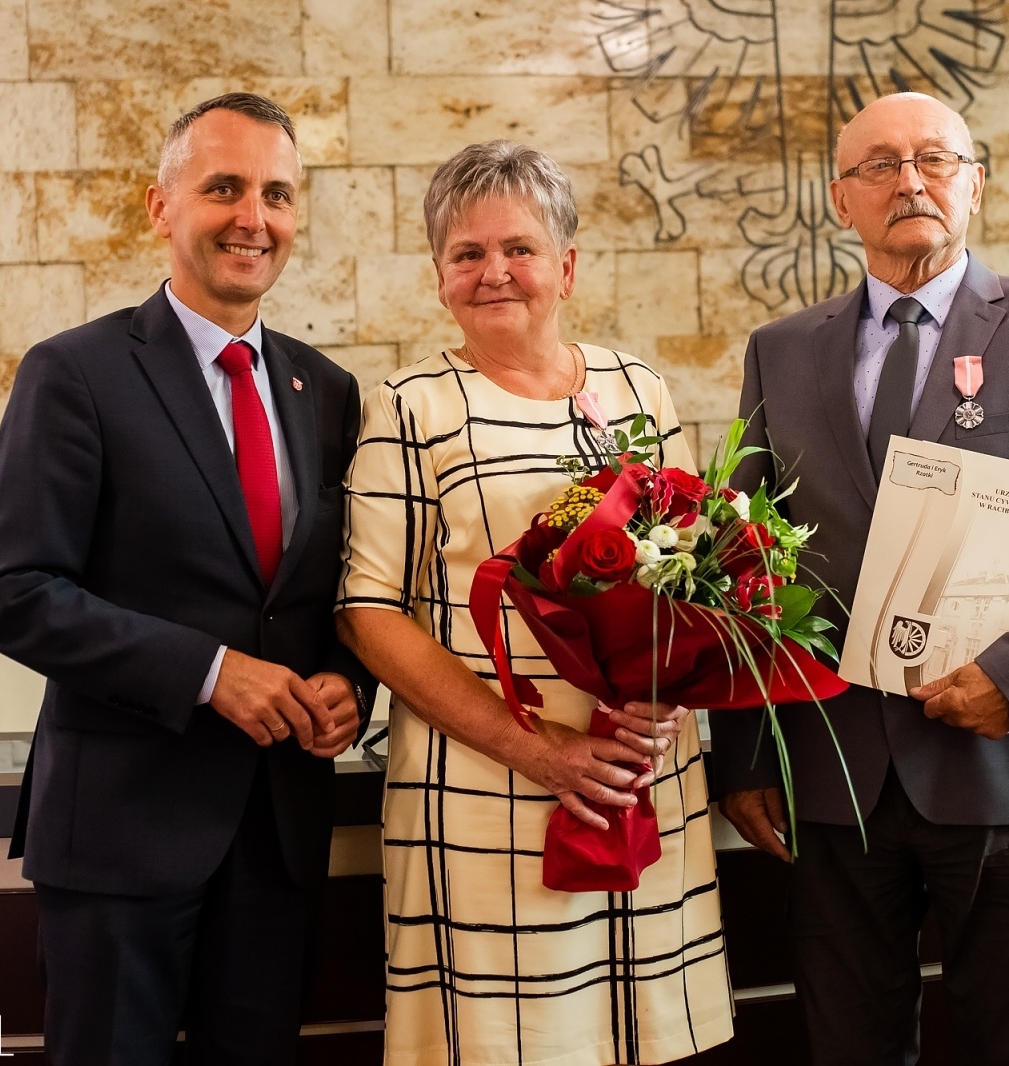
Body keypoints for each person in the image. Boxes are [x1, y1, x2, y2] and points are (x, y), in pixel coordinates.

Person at [711, 91, 1009, 1064]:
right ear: (840, 199)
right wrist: (747, 749)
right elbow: (745, 563)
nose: (908, 179)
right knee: (849, 1044)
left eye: (933, 158)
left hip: (1006, 770)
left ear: (974, 183)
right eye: (877, 164)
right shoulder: (778, 353)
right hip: (833, 777)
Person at [0, 92, 373, 1065]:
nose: (253, 216)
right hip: (121, 828)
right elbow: (11, 588)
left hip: (277, 829)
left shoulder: (330, 392)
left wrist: (345, 686)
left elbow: (326, 594)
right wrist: (208, 670)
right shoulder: (75, 374)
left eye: (277, 193)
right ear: (161, 207)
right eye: (224, 187)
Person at [335, 141, 734, 1066]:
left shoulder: (639, 391)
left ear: (566, 264)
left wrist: (665, 689)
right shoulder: (413, 407)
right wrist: (536, 750)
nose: (493, 273)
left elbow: (695, 577)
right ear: (440, 278)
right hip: (487, 789)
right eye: (466, 254)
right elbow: (369, 610)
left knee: (647, 1038)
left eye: (517, 247)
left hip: (640, 770)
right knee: (517, 1044)